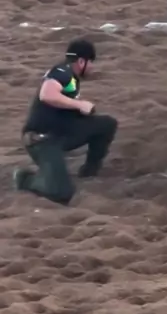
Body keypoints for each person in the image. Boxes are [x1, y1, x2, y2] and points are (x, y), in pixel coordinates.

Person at [13, 38, 118, 205]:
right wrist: (79, 104)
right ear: (81, 61)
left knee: (107, 124)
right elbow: (47, 95)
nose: (92, 67)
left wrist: (80, 111)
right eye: (91, 62)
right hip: (42, 140)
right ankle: (26, 180)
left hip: (61, 132)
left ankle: (89, 172)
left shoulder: (71, 78)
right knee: (61, 193)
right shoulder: (63, 72)